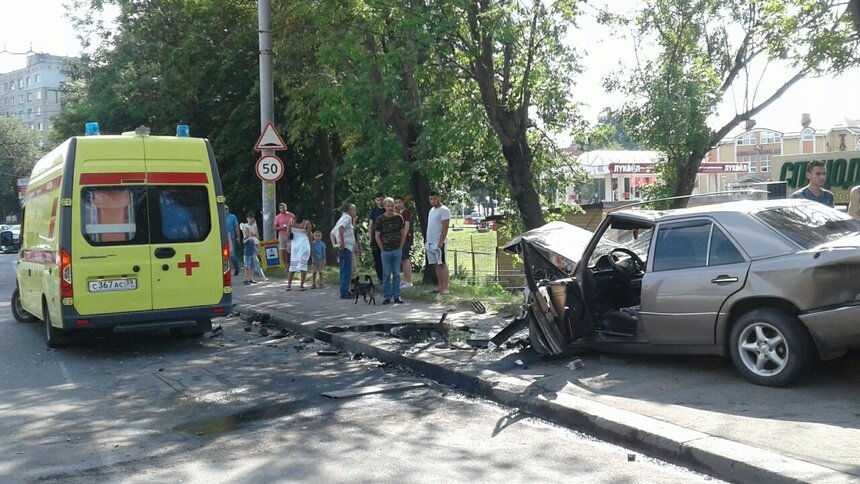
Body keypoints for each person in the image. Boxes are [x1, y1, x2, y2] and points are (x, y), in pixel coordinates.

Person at [375, 197, 406, 304]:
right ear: (384, 206)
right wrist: (381, 248)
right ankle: (387, 296)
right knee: (386, 274)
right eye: (388, 206)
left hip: (397, 249)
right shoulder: (380, 219)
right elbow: (377, 235)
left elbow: (403, 233)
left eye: (392, 206)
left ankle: (397, 296)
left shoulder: (399, 218)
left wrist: (401, 246)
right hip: (385, 250)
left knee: (396, 274)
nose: (390, 208)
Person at [426, 191, 450, 294]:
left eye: (434, 198)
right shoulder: (431, 210)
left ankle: (445, 287)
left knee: (442, 264)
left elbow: (445, 226)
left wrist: (441, 241)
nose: (433, 201)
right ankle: (440, 286)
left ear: (439, 198)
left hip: (439, 242)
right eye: (431, 199)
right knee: (436, 264)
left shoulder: (444, 210)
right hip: (430, 242)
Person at [331, 203, 358, 299]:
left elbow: (332, 233)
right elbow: (341, 228)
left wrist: (335, 244)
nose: (355, 212)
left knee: (343, 271)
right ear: (349, 210)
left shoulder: (340, 219)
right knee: (347, 271)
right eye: (354, 210)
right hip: (346, 248)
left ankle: (343, 290)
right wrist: (342, 243)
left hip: (342, 249)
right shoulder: (347, 218)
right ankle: (345, 292)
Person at [286, 207, 312, 291]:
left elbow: (288, 233)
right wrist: (312, 246)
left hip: (294, 244)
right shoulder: (306, 223)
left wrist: (288, 244)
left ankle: (289, 285)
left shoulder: (291, 221)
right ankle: (301, 286)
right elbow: (309, 236)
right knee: (303, 265)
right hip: (304, 244)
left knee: (292, 265)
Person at [394, 195, 414, 288]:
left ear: (403, 202)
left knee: (405, 259)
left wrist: (404, 236)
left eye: (399, 202)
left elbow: (406, 225)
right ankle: (405, 279)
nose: (398, 204)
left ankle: (409, 281)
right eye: (396, 203)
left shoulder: (405, 212)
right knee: (402, 259)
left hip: (405, 238)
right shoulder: (399, 213)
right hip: (399, 238)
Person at [368, 192, 386, 284]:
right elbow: (370, 225)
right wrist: (370, 237)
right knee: (377, 258)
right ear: (376, 201)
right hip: (375, 238)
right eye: (378, 200)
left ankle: (386, 276)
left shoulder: (387, 209)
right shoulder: (374, 211)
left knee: (385, 258)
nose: (380, 202)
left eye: (382, 199)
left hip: (385, 238)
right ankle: (380, 277)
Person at [240, 212, 260, 285]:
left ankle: (251, 278)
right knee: (247, 265)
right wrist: (249, 235)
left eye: (251, 218)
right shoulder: (245, 226)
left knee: (253, 264)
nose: (250, 219)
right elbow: (245, 236)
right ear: (247, 218)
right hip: (248, 247)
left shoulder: (254, 226)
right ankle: (246, 279)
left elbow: (257, 235)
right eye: (249, 218)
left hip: (254, 245)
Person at [274, 202, 294, 267]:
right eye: (281, 208)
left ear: (286, 208)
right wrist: (281, 228)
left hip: (291, 234)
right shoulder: (278, 217)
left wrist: (290, 227)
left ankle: (292, 264)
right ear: (279, 209)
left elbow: (296, 224)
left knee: (292, 250)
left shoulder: (291, 215)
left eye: (284, 207)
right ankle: (285, 266)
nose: (283, 209)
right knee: (283, 250)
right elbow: (274, 227)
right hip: (282, 235)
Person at [224, 204, 241, 276]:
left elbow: (236, 227)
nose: (225, 210)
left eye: (226, 209)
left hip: (231, 237)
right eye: (224, 209)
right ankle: (226, 270)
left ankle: (237, 268)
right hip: (222, 237)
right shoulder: (219, 216)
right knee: (224, 254)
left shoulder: (232, 217)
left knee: (232, 254)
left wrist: (238, 237)